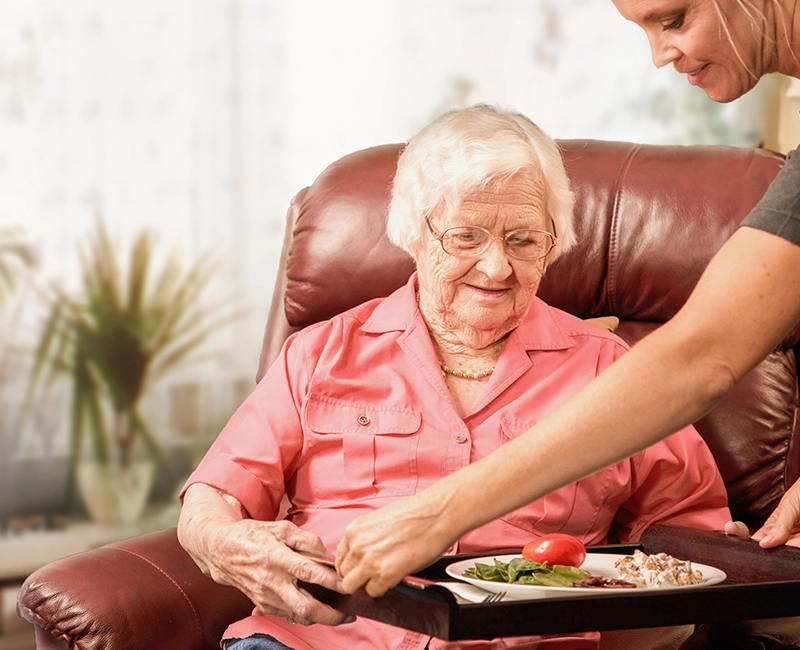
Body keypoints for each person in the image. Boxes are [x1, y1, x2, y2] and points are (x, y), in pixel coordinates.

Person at [178, 103, 731, 650]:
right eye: (466, 237)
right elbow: (214, 498)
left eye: (523, 240)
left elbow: (690, 536)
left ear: (552, 245)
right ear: (413, 233)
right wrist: (226, 542)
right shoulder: (320, 353)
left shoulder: (613, 372)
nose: (496, 268)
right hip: (317, 642)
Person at [335, 0, 800, 599]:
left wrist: (440, 513)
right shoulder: (321, 351)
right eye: (466, 237)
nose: (660, 56)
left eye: (675, 18)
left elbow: (704, 357)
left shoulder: (598, 359)